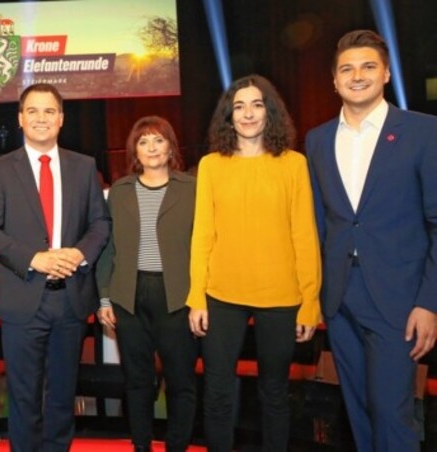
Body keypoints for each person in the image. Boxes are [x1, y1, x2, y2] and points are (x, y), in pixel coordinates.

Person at [306, 29, 437, 451]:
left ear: (385, 74)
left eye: (367, 67)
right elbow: (322, 223)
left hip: (399, 300)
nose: (356, 76)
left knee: (390, 411)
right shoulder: (318, 140)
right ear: (334, 80)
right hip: (340, 297)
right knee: (358, 409)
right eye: (346, 69)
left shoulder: (423, 131)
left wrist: (429, 302)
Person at [186, 74, 321, 451]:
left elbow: (304, 236)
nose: (248, 114)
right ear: (228, 116)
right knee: (216, 392)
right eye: (239, 106)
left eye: (257, 105)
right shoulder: (211, 165)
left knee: (275, 393)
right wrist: (197, 296)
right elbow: (203, 236)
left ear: (270, 112)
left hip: (281, 297)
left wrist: (309, 302)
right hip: (221, 295)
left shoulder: (294, 165)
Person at [0, 83, 110, 451]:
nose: (41, 118)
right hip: (22, 298)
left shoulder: (84, 167)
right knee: (24, 398)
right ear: (20, 119)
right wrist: (34, 258)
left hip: (70, 300)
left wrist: (78, 255)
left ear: (61, 119)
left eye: (49, 111)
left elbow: (100, 224)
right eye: (32, 111)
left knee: (62, 397)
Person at [96, 116, 198, 452]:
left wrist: (201, 297)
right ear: (134, 151)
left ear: (171, 146)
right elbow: (108, 249)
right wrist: (105, 299)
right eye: (143, 141)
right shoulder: (120, 191)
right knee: (137, 382)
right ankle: (142, 446)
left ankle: (176, 446)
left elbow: (205, 245)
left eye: (158, 140)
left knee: (181, 382)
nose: (152, 148)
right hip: (129, 296)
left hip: (178, 297)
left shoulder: (191, 188)